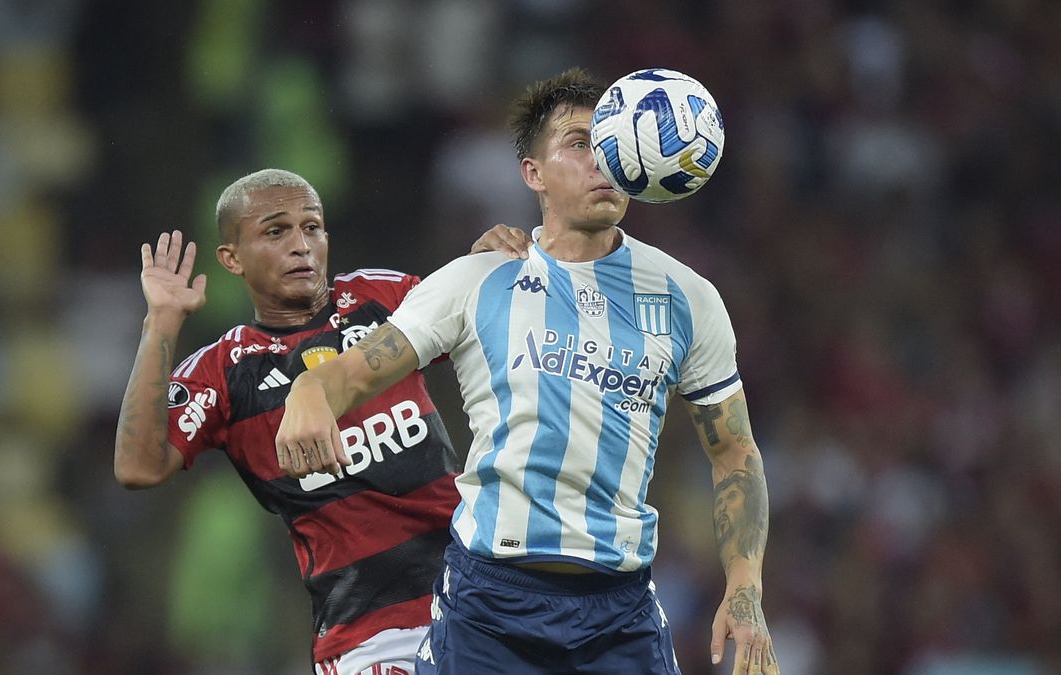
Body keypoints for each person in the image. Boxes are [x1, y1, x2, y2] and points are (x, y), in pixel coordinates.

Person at [276, 68, 779, 675]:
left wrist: (745, 586)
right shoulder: (477, 278)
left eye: (615, 139)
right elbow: (348, 376)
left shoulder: (687, 298)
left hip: (618, 611)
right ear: (532, 173)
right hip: (489, 605)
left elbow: (734, 452)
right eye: (579, 142)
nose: (606, 159)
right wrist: (308, 387)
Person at [113, 168, 531, 675]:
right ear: (232, 258)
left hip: (479, 597)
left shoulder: (382, 298)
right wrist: (160, 322)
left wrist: (486, 266)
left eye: (312, 227)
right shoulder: (222, 374)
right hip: (371, 637)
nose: (301, 245)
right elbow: (138, 466)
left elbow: (478, 314)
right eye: (276, 231)